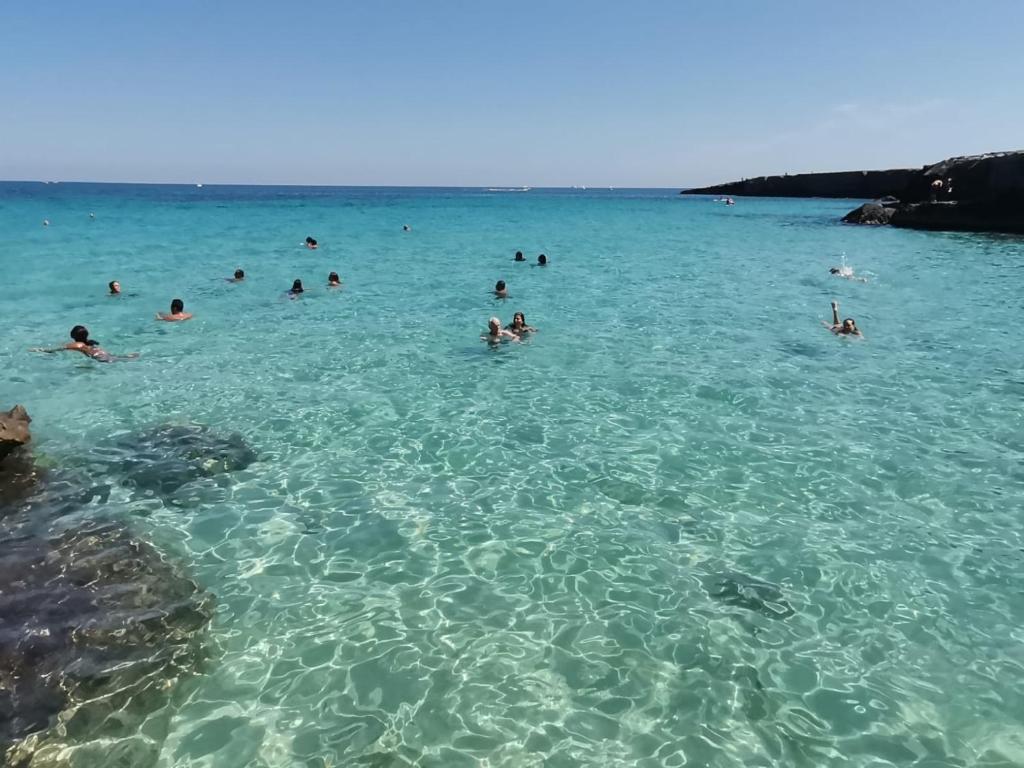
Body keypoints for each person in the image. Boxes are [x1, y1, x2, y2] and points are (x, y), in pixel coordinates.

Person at [30, 325, 136, 362]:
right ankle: (128, 357)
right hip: (102, 354)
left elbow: (56, 350)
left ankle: (127, 358)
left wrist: (39, 350)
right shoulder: (90, 343)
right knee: (115, 358)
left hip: (99, 358)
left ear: (72, 336)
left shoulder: (77, 345)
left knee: (114, 360)